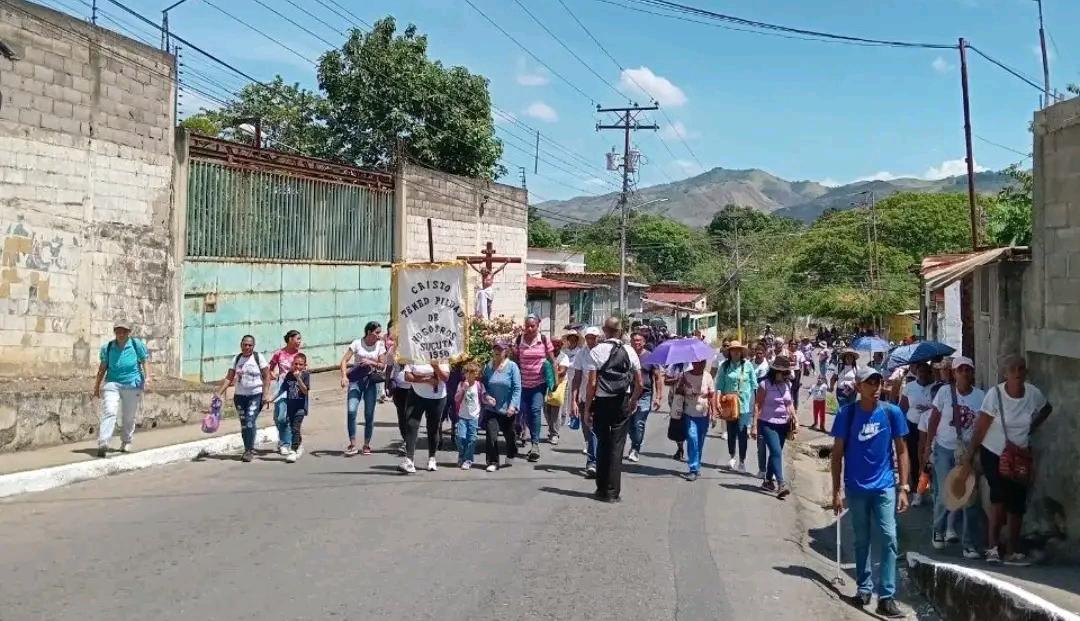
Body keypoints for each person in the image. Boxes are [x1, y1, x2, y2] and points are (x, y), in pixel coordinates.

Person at [830, 366, 910, 618]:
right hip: (856, 488)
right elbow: (837, 454)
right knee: (861, 540)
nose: (876, 388)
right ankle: (864, 588)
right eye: (870, 383)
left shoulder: (892, 413)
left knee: (889, 538)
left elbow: (902, 450)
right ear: (858, 387)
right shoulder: (847, 414)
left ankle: (886, 596)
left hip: (885, 487)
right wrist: (835, 490)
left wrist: (904, 486)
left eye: (878, 382)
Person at [964, 355, 1053, 566]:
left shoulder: (1033, 394)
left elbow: (1047, 408)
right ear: (1005, 374)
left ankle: (1012, 549)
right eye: (1012, 369)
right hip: (993, 452)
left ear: (1025, 373)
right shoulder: (995, 395)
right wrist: (969, 455)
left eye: (1021, 369)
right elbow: (981, 427)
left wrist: (1032, 427)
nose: (1017, 373)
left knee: (1017, 502)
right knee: (999, 498)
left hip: (1019, 454)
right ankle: (993, 548)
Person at [921, 356, 984, 558]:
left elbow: (983, 425)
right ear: (954, 373)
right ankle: (938, 529)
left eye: (968, 369)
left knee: (970, 499)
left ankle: (969, 543)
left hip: (969, 452)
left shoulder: (980, 397)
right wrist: (928, 447)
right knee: (944, 494)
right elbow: (934, 420)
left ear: (972, 373)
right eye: (960, 370)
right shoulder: (944, 393)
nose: (964, 373)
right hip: (945, 448)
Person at [583, 317, 643, 502]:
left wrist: (587, 408)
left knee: (602, 443)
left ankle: (600, 488)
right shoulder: (629, 351)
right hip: (621, 401)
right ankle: (612, 492)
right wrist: (632, 400)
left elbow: (592, 384)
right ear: (620, 331)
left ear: (604, 330)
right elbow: (639, 383)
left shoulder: (597, 351)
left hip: (602, 402)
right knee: (617, 446)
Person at [92, 319, 149, 457]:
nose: (121, 333)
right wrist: (96, 386)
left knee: (128, 416)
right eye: (118, 330)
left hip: (132, 382)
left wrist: (148, 378)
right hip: (113, 382)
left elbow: (144, 361)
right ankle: (103, 442)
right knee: (109, 410)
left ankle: (126, 441)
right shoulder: (108, 347)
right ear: (115, 332)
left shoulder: (136, 345)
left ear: (129, 332)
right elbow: (102, 368)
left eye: (124, 331)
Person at [215, 335, 270, 462]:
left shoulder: (258, 358)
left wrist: (266, 394)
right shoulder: (237, 359)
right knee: (245, 424)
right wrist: (219, 393)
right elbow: (229, 377)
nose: (247, 347)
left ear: (253, 346)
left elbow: (267, 376)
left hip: (255, 395)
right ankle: (247, 448)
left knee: (250, 420)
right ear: (241, 345)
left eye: (250, 345)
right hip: (239, 397)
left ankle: (249, 450)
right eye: (245, 344)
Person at [339, 321, 387, 457]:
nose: (379, 335)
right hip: (355, 381)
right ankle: (352, 444)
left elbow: (382, 365)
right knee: (351, 410)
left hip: (370, 382)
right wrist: (344, 377)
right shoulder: (357, 343)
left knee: (369, 414)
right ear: (369, 332)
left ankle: (366, 444)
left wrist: (370, 362)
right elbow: (344, 361)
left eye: (380, 332)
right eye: (377, 332)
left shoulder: (380, 345)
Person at [752, 356, 797, 498]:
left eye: (786, 373)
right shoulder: (764, 385)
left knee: (775, 453)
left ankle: (767, 481)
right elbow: (758, 405)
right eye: (782, 373)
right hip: (767, 423)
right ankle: (781, 484)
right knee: (776, 451)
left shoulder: (787, 385)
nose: (785, 375)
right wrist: (754, 426)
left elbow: (789, 404)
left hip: (783, 424)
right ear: (775, 371)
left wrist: (795, 418)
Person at [513, 314, 555, 462]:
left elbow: (552, 360)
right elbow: (515, 360)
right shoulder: (519, 340)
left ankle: (535, 444)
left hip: (539, 384)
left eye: (533, 326)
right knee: (523, 413)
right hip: (522, 384)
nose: (530, 329)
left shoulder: (544, 340)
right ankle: (521, 434)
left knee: (535, 411)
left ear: (538, 325)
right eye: (528, 326)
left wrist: (553, 382)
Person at [400, 359, 450, 473]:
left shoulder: (441, 356)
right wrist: (426, 380)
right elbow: (407, 376)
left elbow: (445, 378)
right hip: (417, 394)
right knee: (411, 424)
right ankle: (409, 459)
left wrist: (436, 367)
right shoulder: (415, 354)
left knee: (433, 427)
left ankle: (432, 458)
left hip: (437, 397)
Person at [671, 357, 715, 481]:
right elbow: (678, 392)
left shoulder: (708, 376)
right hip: (689, 413)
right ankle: (693, 468)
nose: (700, 365)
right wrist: (683, 386)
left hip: (703, 413)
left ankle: (697, 463)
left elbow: (712, 395)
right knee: (692, 438)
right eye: (697, 362)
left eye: (702, 362)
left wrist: (714, 412)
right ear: (693, 363)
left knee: (699, 442)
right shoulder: (685, 375)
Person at [715, 340, 755, 472]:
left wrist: (755, 407)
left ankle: (742, 460)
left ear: (742, 352)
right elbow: (719, 386)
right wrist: (717, 402)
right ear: (730, 352)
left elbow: (754, 386)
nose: (736, 352)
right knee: (731, 433)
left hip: (743, 405)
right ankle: (732, 456)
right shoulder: (724, 367)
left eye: (738, 350)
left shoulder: (748, 366)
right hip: (729, 405)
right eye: (733, 350)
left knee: (742, 433)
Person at [482, 340, 521, 472]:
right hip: (491, 409)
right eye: (495, 349)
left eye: (500, 349)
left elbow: (517, 388)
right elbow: (484, 386)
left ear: (506, 351)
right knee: (491, 435)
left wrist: (513, 405)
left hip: (507, 409)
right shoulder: (488, 367)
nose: (497, 352)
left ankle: (511, 452)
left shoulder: (512, 366)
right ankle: (493, 461)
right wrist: (486, 396)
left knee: (509, 435)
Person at [900, 362, 934, 506]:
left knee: (930, 459)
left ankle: (930, 489)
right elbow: (903, 407)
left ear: (930, 373)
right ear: (916, 373)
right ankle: (916, 491)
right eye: (920, 372)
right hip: (913, 425)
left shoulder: (936, 387)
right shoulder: (910, 387)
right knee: (914, 457)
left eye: (926, 372)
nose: (923, 375)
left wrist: (929, 407)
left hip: (930, 427)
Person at [627, 332, 662, 462]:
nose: (636, 343)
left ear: (643, 342)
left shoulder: (650, 357)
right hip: (628, 394)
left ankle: (635, 449)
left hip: (645, 395)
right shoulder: (627, 356)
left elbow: (658, 377)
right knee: (629, 424)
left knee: (639, 423)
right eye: (634, 340)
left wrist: (658, 397)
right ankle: (634, 442)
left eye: (639, 340)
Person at [571, 327, 601, 477]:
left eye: (594, 337)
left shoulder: (604, 353)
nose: (591, 340)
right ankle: (595, 458)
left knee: (594, 430)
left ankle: (592, 462)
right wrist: (573, 401)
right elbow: (576, 378)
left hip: (600, 398)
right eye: (588, 337)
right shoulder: (581, 354)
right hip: (584, 397)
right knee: (587, 431)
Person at [268, 330, 303, 455]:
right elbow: (270, 368)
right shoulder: (279, 353)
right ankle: (285, 438)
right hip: (280, 388)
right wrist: (273, 375)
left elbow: (304, 372)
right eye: (297, 339)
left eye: (300, 339)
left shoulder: (299, 356)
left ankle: (285, 443)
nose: (299, 342)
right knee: (278, 418)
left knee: (284, 417)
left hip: (293, 389)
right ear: (290, 339)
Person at [275, 353, 310, 463]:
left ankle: (293, 451)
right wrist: (271, 398)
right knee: (293, 428)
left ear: (305, 366)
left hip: (300, 407)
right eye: (296, 364)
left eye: (301, 364)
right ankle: (299, 444)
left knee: (295, 428)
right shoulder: (289, 375)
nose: (298, 366)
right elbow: (282, 389)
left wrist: (298, 378)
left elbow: (305, 391)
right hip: (290, 407)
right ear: (292, 364)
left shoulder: (306, 375)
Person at [555, 327, 585, 446]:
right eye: (570, 339)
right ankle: (565, 416)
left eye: (574, 339)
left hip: (577, 377)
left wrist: (570, 364)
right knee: (565, 397)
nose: (572, 341)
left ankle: (576, 416)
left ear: (577, 340)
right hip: (566, 376)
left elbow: (578, 364)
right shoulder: (565, 351)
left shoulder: (580, 351)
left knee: (576, 397)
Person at [453, 361, 484, 470]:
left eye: (472, 372)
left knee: (471, 439)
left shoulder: (479, 385)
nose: (469, 374)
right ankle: (461, 455)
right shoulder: (461, 384)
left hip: (474, 417)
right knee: (460, 437)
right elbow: (456, 399)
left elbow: (484, 397)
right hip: (462, 416)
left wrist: (490, 399)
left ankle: (468, 459)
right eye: (467, 372)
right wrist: (463, 389)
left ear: (476, 374)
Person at [544, 338, 569, 445]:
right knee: (546, 410)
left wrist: (551, 368)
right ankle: (551, 430)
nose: (555, 348)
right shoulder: (546, 356)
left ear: (561, 346)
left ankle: (555, 434)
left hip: (560, 385)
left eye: (557, 345)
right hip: (547, 385)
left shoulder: (564, 357)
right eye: (553, 345)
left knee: (555, 411)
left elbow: (562, 372)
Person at [664, 361, 689, 462]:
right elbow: (666, 381)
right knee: (677, 423)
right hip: (675, 399)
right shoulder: (673, 366)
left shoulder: (691, 365)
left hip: (689, 398)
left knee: (687, 423)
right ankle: (680, 448)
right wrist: (676, 379)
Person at [831, 348, 859, 413]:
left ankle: (849, 422)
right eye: (847, 357)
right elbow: (833, 378)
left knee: (851, 408)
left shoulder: (856, 367)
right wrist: (831, 387)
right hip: (841, 392)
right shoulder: (839, 366)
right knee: (843, 409)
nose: (849, 359)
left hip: (852, 392)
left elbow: (859, 379)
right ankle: (843, 421)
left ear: (853, 359)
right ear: (844, 358)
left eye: (851, 357)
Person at [787, 340, 806, 411]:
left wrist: (802, 374)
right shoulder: (786, 353)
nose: (792, 345)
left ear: (796, 345)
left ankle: (795, 407)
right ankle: (787, 406)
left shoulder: (799, 353)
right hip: (787, 372)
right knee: (787, 389)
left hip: (796, 372)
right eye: (791, 344)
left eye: (794, 344)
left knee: (795, 390)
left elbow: (802, 364)